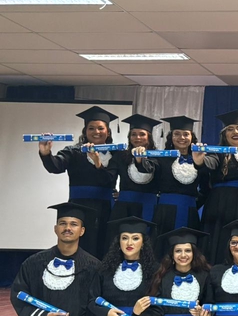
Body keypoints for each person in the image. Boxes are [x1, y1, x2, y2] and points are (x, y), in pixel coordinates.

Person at [39, 105, 120, 258]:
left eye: (100, 128)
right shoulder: (74, 151)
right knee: (81, 247)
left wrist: (97, 162)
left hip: (106, 209)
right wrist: (46, 153)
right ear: (85, 131)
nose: (96, 132)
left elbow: (108, 179)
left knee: (105, 247)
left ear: (108, 132)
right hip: (79, 207)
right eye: (91, 128)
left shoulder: (116, 154)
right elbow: (56, 166)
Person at [200, 109, 238, 265]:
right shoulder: (217, 153)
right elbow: (209, 163)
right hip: (220, 206)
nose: (235, 132)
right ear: (224, 135)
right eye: (230, 129)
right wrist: (199, 160)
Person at [134, 116, 203, 239]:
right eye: (177, 134)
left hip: (189, 210)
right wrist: (140, 160)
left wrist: (194, 204)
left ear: (192, 137)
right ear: (171, 137)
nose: (182, 138)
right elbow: (149, 168)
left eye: (186, 134)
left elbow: (206, 187)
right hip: (165, 211)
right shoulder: (162, 157)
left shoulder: (199, 159)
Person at [109, 113, 161, 224]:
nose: (137, 138)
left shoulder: (157, 156)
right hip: (124, 205)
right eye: (133, 134)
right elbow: (110, 177)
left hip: (148, 204)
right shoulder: (121, 156)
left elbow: (153, 172)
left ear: (149, 137)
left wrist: (140, 159)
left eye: (142, 134)